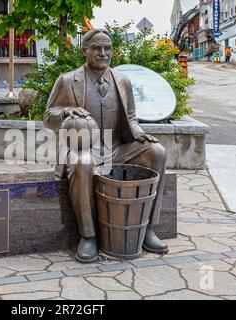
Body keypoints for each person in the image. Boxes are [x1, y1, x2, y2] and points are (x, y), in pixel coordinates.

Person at [44, 29, 168, 263]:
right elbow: (48, 117)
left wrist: (141, 134)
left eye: (107, 48)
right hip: (84, 149)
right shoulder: (68, 80)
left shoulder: (122, 80)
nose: (103, 53)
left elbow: (131, 118)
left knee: (157, 153)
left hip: (117, 147)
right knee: (83, 162)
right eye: (97, 48)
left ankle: (148, 227)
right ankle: (88, 236)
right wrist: (67, 112)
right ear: (85, 51)